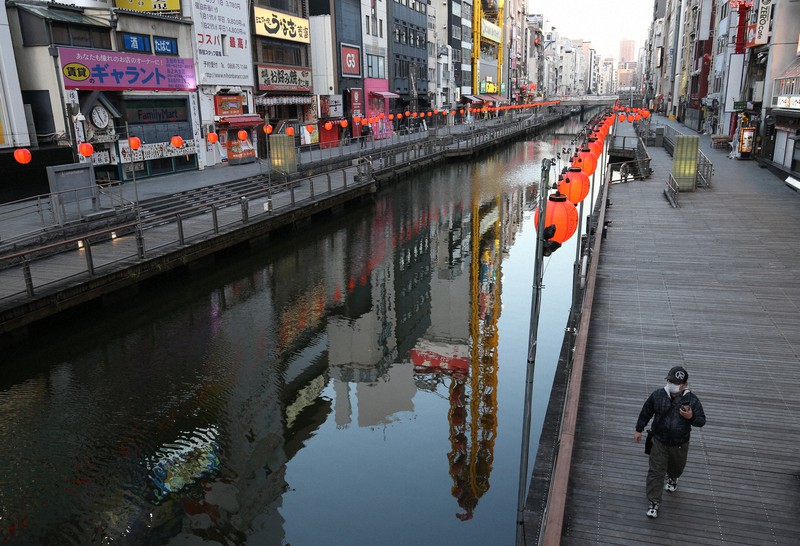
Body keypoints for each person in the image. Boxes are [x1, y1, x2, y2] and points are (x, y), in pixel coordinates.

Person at [634, 366, 706, 519]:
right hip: (659, 441)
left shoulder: (692, 400)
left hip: (680, 443)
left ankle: (673, 477)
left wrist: (690, 417)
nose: (672, 384)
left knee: (677, 466)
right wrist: (639, 429)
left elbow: (701, 421)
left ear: (684, 385)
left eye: (676, 382)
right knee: (656, 471)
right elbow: (646, 411)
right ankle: (653, 502)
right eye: (670, 381)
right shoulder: (658, 395)